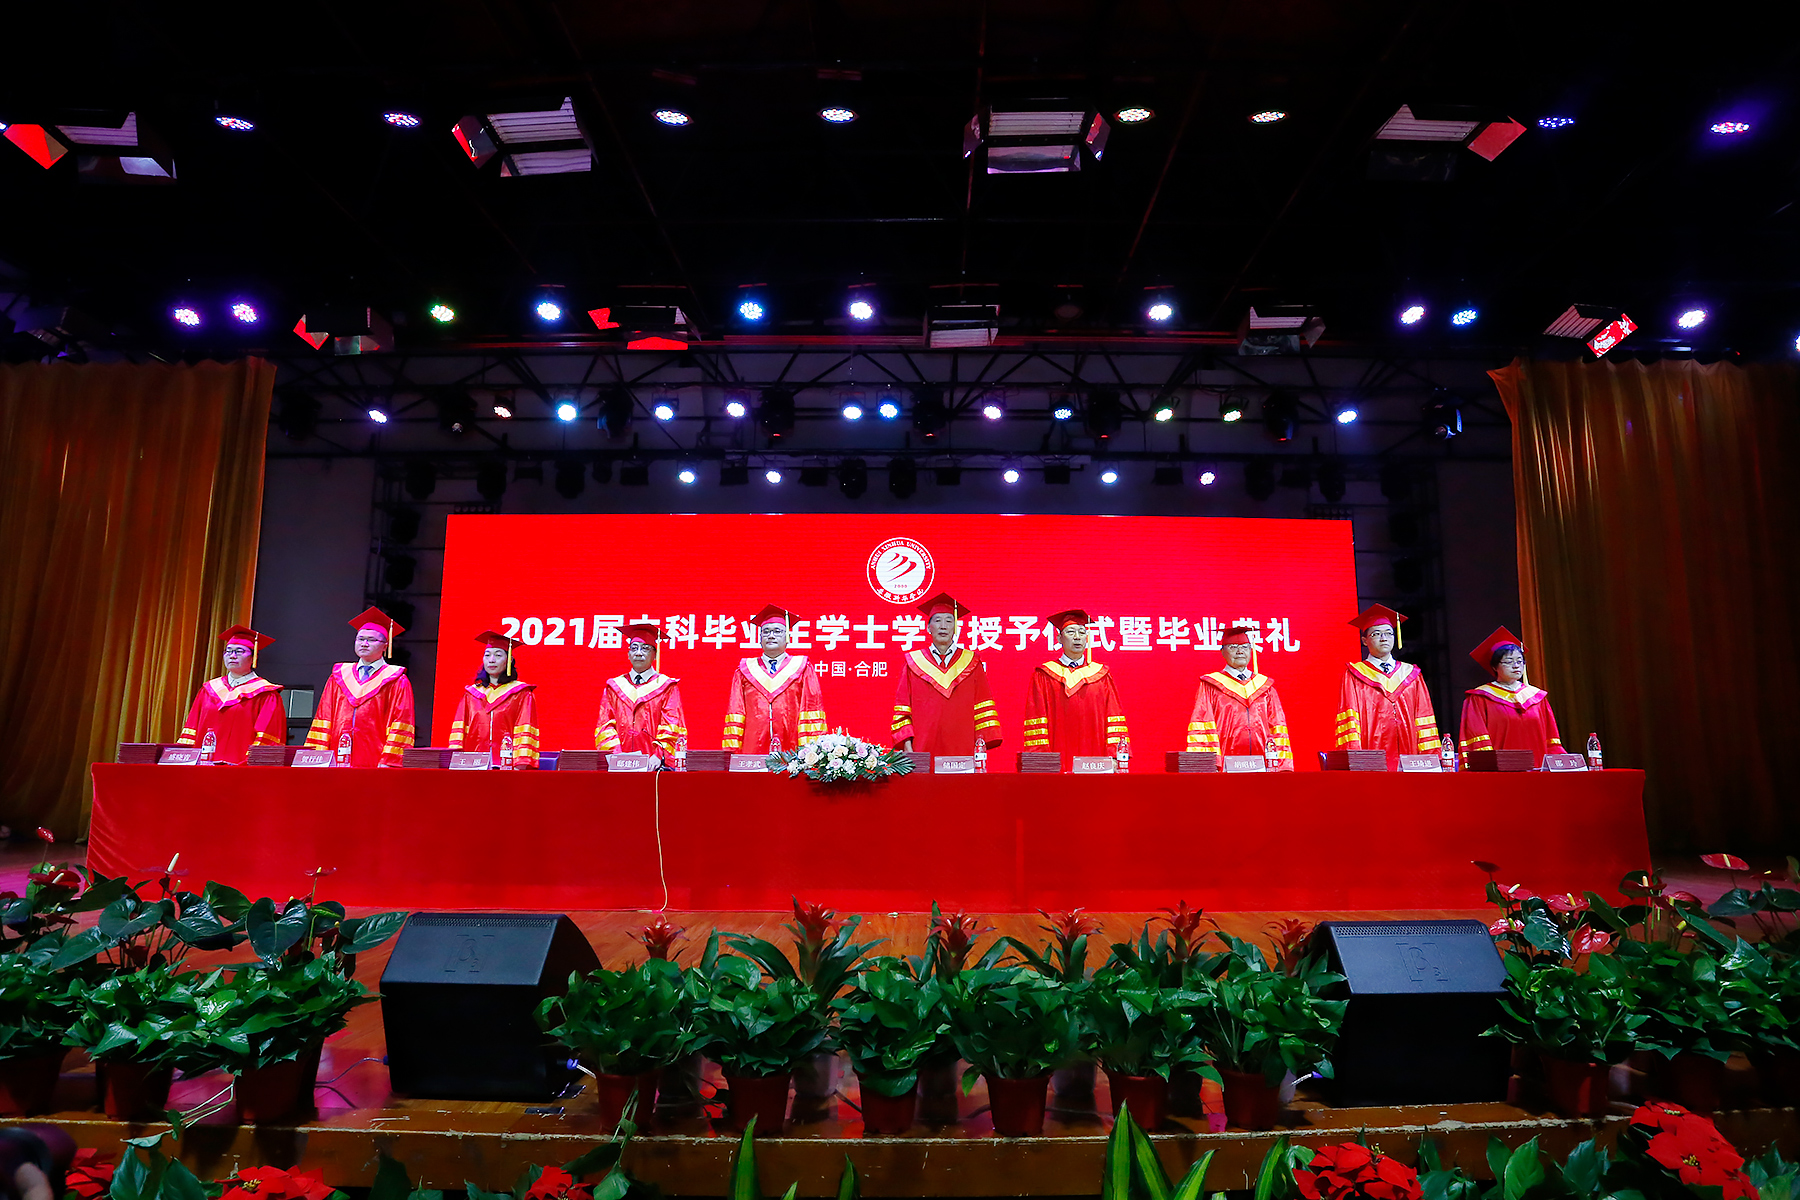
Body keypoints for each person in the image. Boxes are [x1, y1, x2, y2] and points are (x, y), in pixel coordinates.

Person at [891, 592, 1003, 757]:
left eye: (949, 621)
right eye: (937, 620)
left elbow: (982, 707)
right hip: (922, 750)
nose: (943, 626)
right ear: (928, 627)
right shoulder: (913, 664)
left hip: (964, 751)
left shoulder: (972, 663)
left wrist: (980, 746)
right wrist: (907, 746)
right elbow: (903, 709)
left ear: (955, 628)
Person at [304, 606, 416, 767]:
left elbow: (401, 721)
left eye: (371, 640)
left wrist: (389, 761)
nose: (364, 644)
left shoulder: (396, 680)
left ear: (385, 646)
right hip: (337, 759)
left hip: (375, 760)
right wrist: (317, 757)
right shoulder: (339, 676)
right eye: (360, 639)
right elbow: (324, 716)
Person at [1334, 604, 1443, 763]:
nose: (1384, 638)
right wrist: (1356, 761)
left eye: (1388, 633)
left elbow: (1423, 718)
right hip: (1372, 760)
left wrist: (1430, 759)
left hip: (1410, 761)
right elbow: (1350, 721)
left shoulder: (1411, 674)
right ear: (1365, 641)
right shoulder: (1354, 675)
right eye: (1376, 634)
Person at [1022, 609, 1129, 757]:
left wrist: (1115, 756)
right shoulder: (1044, 675)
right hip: (1057, 758)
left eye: (1082, 632)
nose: (1077, 637)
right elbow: (1036, 717)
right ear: (1059, 638)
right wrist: (1042, 760)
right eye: (1071, 632)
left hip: (1095, 760)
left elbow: (1113, 715)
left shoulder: (1101, 676)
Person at [722, 605, 827, 754]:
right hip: (752, 750)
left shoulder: (802, 667)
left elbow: (810, 708)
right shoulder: (745, 669)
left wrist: (811, 752)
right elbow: (736, 710)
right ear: (760, 638)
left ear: (787, 637)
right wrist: (732, 753)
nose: (771, 636)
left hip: (792, 750)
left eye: (777, 631)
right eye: (766, 631)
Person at [1185, 625, 1293, 769]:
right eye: (1233, 647)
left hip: (1263, 766)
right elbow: (1203, 725)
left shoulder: (1265, 688)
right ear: (1222, 652)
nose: (1240, 651)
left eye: (1244, 647)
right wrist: (1210, 766)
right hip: (1225, 767)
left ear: (1251, 650)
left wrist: (1281, 766)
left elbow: (1277, 726)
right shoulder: (1210, 686)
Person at [174, 625, 286, 763]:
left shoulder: (266, 694)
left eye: (239, 651)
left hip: (241, 768)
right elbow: (191, 730)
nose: (232, 656)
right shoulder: (209, 690)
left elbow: (267, 738)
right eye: (228, 651)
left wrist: (247, 764)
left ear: (253, 657)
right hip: (203, 766)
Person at [1459, 627, 1565, 767]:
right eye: (1509, 662)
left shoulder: (1537, 698)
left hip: (1537, 770)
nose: (1516, 666)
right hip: (1500, 772)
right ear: (1495, 667)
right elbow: (1477, 740)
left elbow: (1551, 740)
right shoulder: (1480, 698)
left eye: (1520, 661)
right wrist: (1489, 767)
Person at [446, 631, 539, 768]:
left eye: (498, 655)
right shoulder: (471, 694)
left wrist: (520, 765)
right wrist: (456, 761)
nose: (491, 660)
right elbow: (459, 733)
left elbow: (524, 729)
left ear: (509, 660)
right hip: (474, 765)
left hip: (507, 766)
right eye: (487, 655)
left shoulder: (521, 694)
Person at [596, 623, 689, 758]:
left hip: (655, 764)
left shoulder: (667, 687)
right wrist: (617, 755)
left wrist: (658, 756)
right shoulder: (614, 687)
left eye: (645, 648)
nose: (638, 653)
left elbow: (671, 724)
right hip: (619, 763)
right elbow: (605, 725)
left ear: (655, 654)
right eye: (634, 648)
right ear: (628, 654)